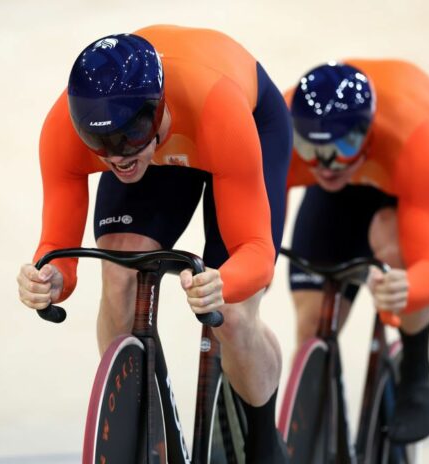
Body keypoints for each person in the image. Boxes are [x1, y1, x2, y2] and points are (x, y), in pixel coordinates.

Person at [16, 26, 292, 462]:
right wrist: (49, 278)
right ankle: (145, 434)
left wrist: (226, 281)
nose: (117, 156)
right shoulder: (68, 130)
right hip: (167, 138)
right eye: (100, 145)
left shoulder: (217, 110)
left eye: (129, 136)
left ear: (158, 108)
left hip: (237, 123)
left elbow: (257, 252)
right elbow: (57, 247)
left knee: (234, 314)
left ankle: (262, 440)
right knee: (120, 272)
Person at [284, 60, 429, 444]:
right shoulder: (301, 139)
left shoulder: (409, 138)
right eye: (311, 148)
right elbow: (260, 228)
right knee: (313, 323)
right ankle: (322, 423)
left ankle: (417, 373)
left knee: (393, 242)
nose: (326, 163)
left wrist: (408, 287)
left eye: (343, 147)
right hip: (359, 172)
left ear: (365, 132)